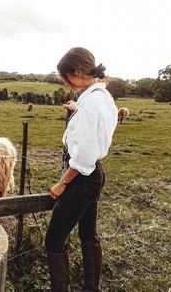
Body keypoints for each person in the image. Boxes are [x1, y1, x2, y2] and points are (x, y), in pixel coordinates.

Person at [45, 47, 118, 291]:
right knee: (88, 234)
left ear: (77, 71)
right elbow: (94, 126)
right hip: (94, 175)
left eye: (67, 77)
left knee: (54, 239)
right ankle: (91, 287)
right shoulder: (102, 96)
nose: (66, 83)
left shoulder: (89, 103)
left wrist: (63, 182)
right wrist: (77, 111)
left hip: (82, 178)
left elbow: (84, 156)